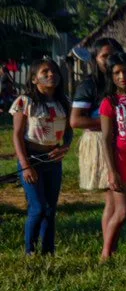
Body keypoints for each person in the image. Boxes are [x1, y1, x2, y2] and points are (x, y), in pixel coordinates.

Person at [11, 57, 72, 254]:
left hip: (53, 161)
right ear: (34, 79)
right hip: (31, 159)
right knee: (38, 208)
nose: (51, 75)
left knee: (50, 209)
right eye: (44, 72)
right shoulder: (25, 101)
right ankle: (30, 251)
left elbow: (69, 129)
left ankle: (47, 252)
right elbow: (17, 135)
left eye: (53, 71)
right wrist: (25, 165)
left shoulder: (64, 101)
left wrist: (65, 146)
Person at [96, 53, 126, 259]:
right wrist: (112, 170)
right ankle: (106, 253)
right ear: (111, 76)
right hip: (121, 157)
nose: (122, 76)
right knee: (122, 211)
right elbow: (106, 138)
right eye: (116, 72)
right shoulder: (109, 102)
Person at [71, 38, 122, 198]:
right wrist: (109, 122)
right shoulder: (89, 85)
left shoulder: (124, 82)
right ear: (94, 59)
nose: (110, 60)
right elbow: (75, 120)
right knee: (115, 197)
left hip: (122, 141)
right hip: (99, 141)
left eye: (114, 55)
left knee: (123, 197)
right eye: (104, 56)